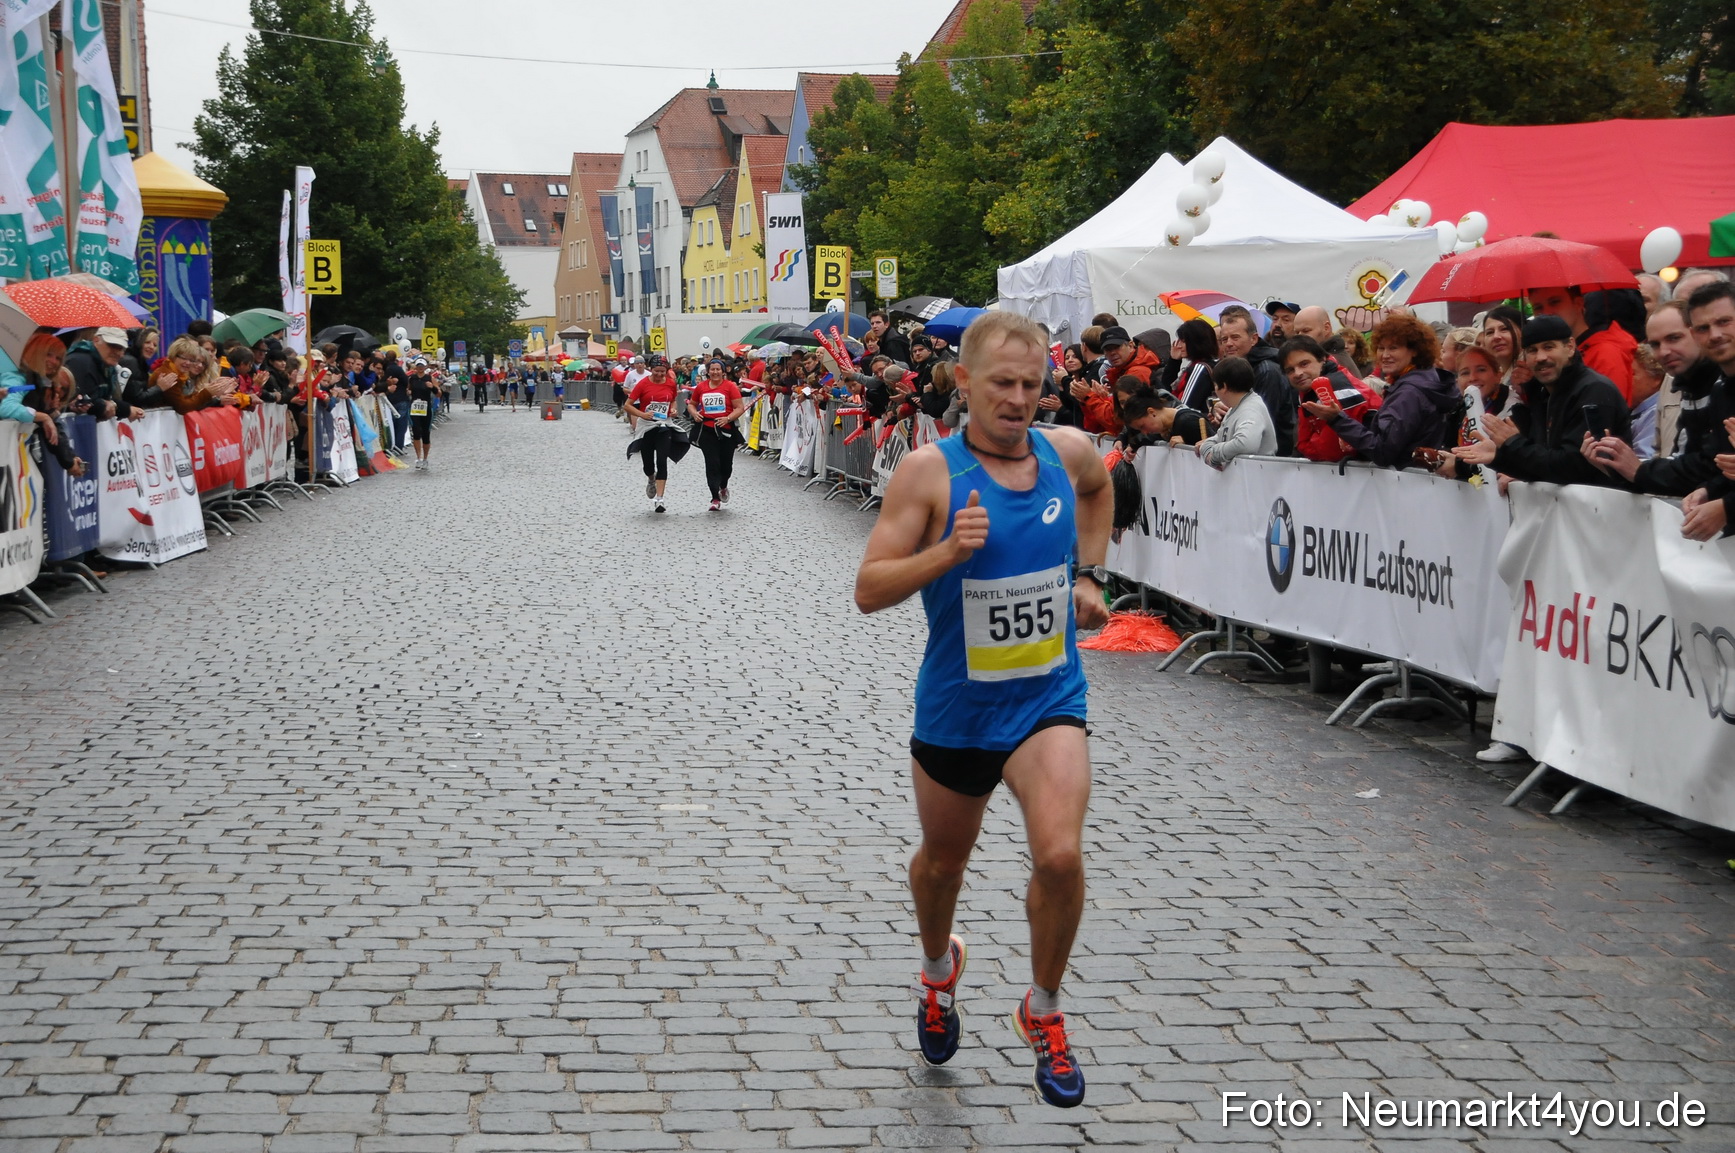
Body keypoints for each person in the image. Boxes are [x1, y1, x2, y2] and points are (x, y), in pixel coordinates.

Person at [853, 310, 1109, 1110]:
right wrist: (946, 553)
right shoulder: (931, 473)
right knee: (942, 864)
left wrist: (1094, 577)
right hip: (958, 710)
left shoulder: (1066, 453)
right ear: (962, 382)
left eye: (1032, 384)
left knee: (1060, 856)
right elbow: (869, 589)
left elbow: (1101, 488)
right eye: (1002, 382)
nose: (1018, 399)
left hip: (1047, 698)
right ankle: (937, 973)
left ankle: (1043, 1009)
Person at [1453, 315, 1630, 487]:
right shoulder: (1543, 395)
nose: (1540, 357)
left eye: (1549, 347)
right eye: (1532, 350)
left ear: (1569, 347)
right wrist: (1498, 458)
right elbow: (1542, 466)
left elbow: (1572, 468)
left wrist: (1513, 443)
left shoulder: (1593, 391)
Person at [1305, 314, 1457, 468]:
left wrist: (1337, 419)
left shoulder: (1409, 392)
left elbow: (1382, 451)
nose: (1385, 355)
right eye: (1381, 348)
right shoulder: (1426, 380)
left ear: (1415, 351)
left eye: (1393, 348)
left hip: (1408, 484)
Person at [1528, 285, 1638, 403]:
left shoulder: (1604, 352)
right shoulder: (1559, 354)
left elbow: (1605, 413)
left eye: (1555, 302)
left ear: (1578, 303)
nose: (1546, 312)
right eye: (1538, 307)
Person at [1280, 336, 1382, 463]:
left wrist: (1315, 444)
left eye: (1304, 364)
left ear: (1322, 359)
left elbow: (1332, 451)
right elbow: (1302, 444)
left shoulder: (1335, 385)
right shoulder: (1309, 388)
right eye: (1290, 370)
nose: (1297, 373)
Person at [1215, 307, 1296, 456]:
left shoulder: (1267, 371)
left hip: (1271, 462)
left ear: (1253, 339)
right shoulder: (1237, 368)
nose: (1229, 344)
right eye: (1224, 339)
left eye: (1235, 337)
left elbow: (1259, 421)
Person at [625, 354, 681, 512]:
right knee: (648, 464)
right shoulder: (643, 384)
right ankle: (651, 478)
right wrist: (642, 414)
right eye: (656, 371)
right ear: (651, 369)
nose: (659, 375)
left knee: (662, 461)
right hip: (647, 426)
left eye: (662, 372)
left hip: (664, 425)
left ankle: (660, 499)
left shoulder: (670, 383)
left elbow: (673, 400)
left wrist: (674, 409)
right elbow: (627, 405)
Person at [688, 359, 746, 510]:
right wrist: (695, 414)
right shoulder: (701, 387)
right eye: (712, 369)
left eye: (718, 369)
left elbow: (740, 407)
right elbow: (691, 404)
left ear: (723, 371)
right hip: (707, 430)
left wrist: (728, 418)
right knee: (712, 464)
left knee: (726, 466)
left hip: (726, 429)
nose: (715, 372)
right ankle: (715, 498)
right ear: (708, 371)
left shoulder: (730, 387)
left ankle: (723, 486)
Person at [1167, 319, 1218, 412]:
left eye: (1184, 341)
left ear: (1196, 342)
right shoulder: (1206, 364)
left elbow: (1184, 409)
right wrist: (1174, 362)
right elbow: (1167, 389)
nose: (1179, 346)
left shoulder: (1200, 368)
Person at [408, 360, 437, 470]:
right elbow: (408, 388)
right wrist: (408, 392)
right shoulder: (412, 378)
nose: (420, 368)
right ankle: (418, 458)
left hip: (426, 408)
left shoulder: (430, 378)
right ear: (415, 367)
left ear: (425, 367)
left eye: (422, 366)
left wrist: (432, 387)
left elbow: (438, 393)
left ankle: (425, 458)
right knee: (416, 431)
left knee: (426, 433)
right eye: (418, 366)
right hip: (415, 408)